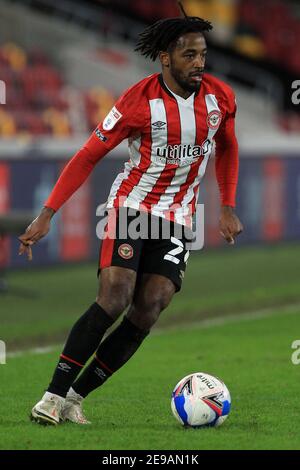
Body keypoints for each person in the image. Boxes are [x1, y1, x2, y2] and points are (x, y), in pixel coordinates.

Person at [18, 9, 243, 426]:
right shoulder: (138, 102)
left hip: (178, 216)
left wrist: (226, 206)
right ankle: (50, 396)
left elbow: (227, 147)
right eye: (189, 55)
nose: (199, 63)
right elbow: (88, 155)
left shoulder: (220, 99)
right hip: (132, 207)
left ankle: (74, 398)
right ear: (165, 58)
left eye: (203, 55)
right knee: (116, 296)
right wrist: (48, 213)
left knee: (149, 308)